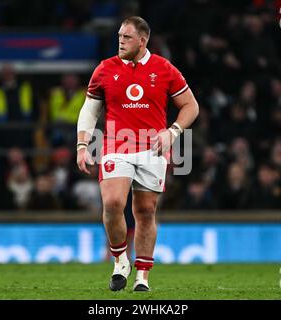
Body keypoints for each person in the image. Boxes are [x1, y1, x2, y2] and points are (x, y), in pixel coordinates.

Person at [76, 16, 199, 292]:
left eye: (127, 37)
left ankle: (142, 276)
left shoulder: (164, 69)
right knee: (112, 202)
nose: (121, 40)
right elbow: (89, 110)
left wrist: (173, 132)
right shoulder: (105, 69)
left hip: (152, 147)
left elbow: (191, 106)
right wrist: (82, 145)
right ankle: (120, 260)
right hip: (115, 146)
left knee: (145, 211)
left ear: (142, 41)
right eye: (119, 36)